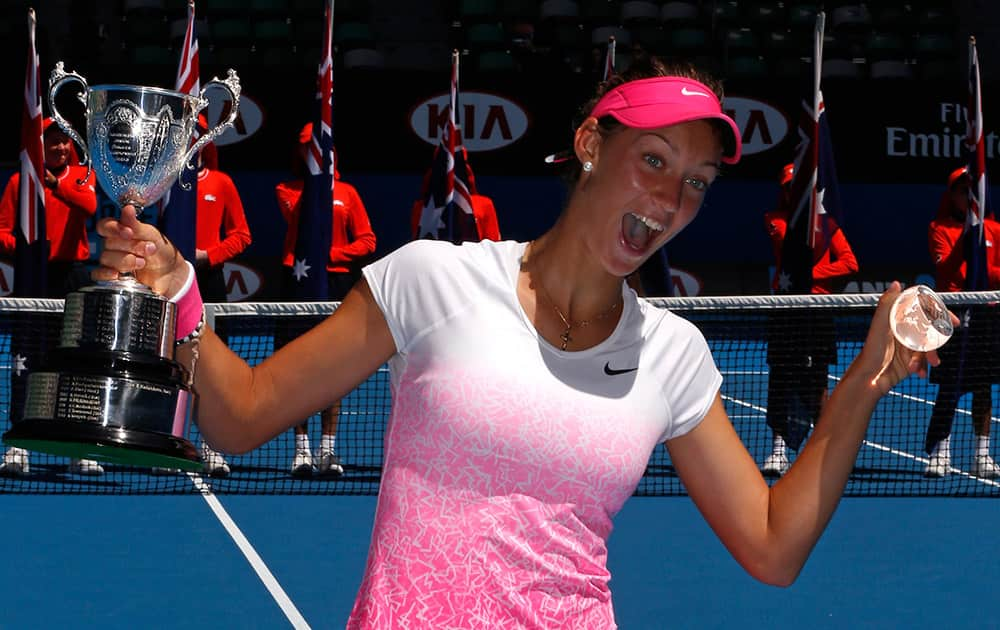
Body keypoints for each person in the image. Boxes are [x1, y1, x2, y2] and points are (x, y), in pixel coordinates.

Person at [95, 56, 943, 627]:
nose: (673, 199)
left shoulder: (674, 355)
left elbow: (772, 545)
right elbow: (240, 419)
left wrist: (868, 380)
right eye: (652, 161)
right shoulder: (432, 278)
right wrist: (176, 289)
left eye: (695, 184)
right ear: (588, 147)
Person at [0, 118, 104, 477]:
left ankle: (77, 445)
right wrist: (28, 251)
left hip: (72, 276)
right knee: (26, 360)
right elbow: (1, 232)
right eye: (52, 142)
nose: (59, 148)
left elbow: (89, 206)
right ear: (39, 145)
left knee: (75, 361)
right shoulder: (19, 182)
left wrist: (56, 184)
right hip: (34, 275)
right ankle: (19, 444)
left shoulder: (81, 175)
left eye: (63, 142)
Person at [274, 125, 376, 478]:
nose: (313, 152)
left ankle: (327, 450)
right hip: (300, 281)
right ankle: (301, 450)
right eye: (307, 147)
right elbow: (298, 219)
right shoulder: (287, 191)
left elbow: (367, 240)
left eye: (319, 147)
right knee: (297, 369)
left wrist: (333, 252)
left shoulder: (348, 193)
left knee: (334, 369)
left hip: (336, 283)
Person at [761, 162, 858, 476]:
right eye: (790, 187)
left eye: (799, 186)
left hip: (818, 311)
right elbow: (794, 248)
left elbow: (850, 263)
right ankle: (778, 450)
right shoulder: (775, 221)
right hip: (787, 310)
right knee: (781, 379)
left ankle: (822, 448)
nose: (794, 191)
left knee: (817, 382)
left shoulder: (828, 226)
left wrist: (812, 276)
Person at [923, 166, 1000, 479]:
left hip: (987, 311)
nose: (966, 196)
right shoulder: (938, 228)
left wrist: (980, 249)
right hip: (951, 313)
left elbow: (996, 273)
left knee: (983, 387)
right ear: (951, 194)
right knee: (948, 387)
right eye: (960, 190)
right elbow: (947, 271)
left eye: (971, 190)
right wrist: (966, 242)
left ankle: (981, 456)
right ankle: (941, 454)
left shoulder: (994, 229)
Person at [191, 151, 251, 477]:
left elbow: (242, 235)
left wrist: (208, 255)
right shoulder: (166, 180)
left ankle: (210, 446)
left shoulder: (221, 182)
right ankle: (170, 443)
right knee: (170, 362)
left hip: (210, 280)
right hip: (173, 278)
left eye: (199, 137)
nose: (194, 143)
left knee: (213, 366)